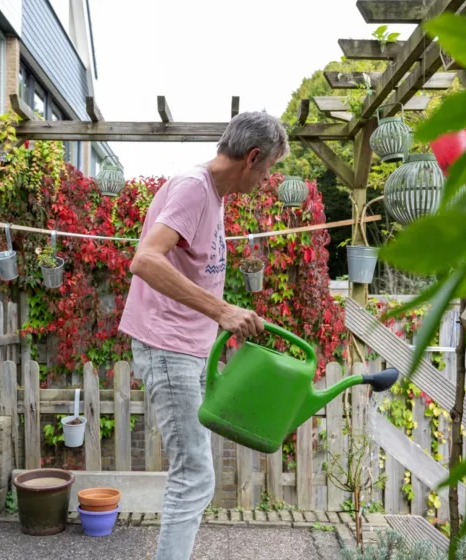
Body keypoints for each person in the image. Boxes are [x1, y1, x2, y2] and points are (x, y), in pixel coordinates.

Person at [119, 111, 290, 560]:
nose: (265, 179)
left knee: (195, 474)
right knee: (193, 476)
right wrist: (222, 310)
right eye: (268, 168)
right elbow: (145, 260)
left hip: (188, 350)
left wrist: (222, 318)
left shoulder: (212, 196)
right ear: (252, 157)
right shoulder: (194, 188)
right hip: (167, 346)